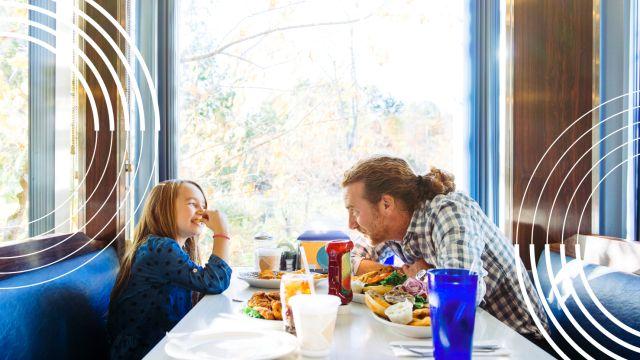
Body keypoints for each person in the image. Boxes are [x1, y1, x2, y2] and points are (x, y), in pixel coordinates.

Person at [343, 156, 549, 342]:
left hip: (519, 340)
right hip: (463, 334)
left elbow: (461, 295)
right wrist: (402, 274)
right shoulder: (388, 229)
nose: (351, 223)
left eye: (355, 211)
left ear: (386, 204)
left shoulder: (448, 214)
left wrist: (421, 275)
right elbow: (349, 260)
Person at [107, 180, 232, 359]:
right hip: (144, 352)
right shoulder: (159, 248)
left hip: (165, 345)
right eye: (192, 204)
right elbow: (214, 281)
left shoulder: (169, 249)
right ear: (162, 209)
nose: (202, 212)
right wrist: (222, 232)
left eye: (203, 205)